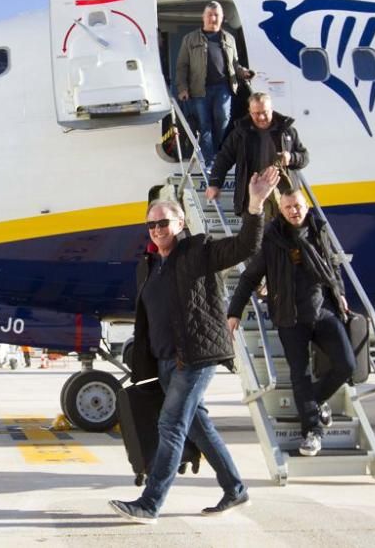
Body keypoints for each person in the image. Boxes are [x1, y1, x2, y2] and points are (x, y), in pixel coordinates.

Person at [109, 165, 280, 524]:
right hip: (166, 362)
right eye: (151, 225)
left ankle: (150, 503)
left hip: (195, 359)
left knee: (170, 426)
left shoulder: (198, 252)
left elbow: (245, 245)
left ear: (181, 223)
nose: (157, 230)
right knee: (199, 427)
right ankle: (236, 489)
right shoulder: (150, 265)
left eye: (163, 223)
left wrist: (255, 205)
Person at [226, 189, 354, 457]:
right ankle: (312, 432)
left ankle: (314, 402)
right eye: (288, 208)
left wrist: (340, 292)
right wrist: (234, 312)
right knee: (300, 374)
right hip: (290, 316)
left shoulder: (319, 231)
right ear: (281, 210)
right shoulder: (273, 240)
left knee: (346, 365)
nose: (293, 211)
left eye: (297, 205)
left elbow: (333, 266)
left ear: (306, 206)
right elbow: (249, 277)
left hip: (322, 310)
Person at [175, 1, 254, 168]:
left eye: (216, 15)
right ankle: (210, 163)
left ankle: (219, 154)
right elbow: (182, 66)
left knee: (223, 120)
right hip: (199, 90)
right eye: (210, 14)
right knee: (205, 125)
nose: (213, 18)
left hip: (223, 88)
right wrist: (182, 88)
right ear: (203, 17)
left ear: (222, 18)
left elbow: (235, 64)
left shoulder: (229, 39)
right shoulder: (190, 39)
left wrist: (244, 73)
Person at [206, 92, 309, 217]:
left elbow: (304, 157)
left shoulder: (287, 131)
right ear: (250, 112)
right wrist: (215, 184)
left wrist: (290, 158)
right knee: (256, 234)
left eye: (264, 112)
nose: (261, 117)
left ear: (271, 109)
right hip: (253, 197)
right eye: (256, 113)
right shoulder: (240, 133)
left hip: (284, 198)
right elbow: (223, 159)